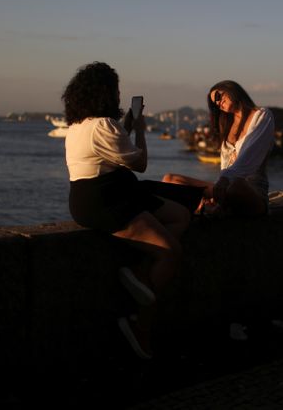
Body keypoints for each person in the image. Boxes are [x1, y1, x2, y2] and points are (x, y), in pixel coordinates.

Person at [62, 62, 190, 359]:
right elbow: (139, 162)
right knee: (172, 252)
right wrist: (142, 132)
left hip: (101, 193)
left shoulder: (79, 126)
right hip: (107, 199)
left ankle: (142, 269)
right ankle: (138, 321)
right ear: (105, 92)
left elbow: (113, 148)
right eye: (116, 89)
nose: (119, 96)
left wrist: (130, 123)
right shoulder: (102, 126)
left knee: (180, 215)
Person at [163, 80, 275, 217]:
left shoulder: (262, 115)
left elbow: (250, 156)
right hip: (225, 188)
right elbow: (225, 166)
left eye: (218, 97)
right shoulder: (227, 125)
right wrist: (218, 188)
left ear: (232, 89)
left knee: (236, 185)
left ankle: (214, 207)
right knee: (170, 179)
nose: (218, 103)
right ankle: (207, 205)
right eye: (214, 103)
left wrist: (225, 179)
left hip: (252, 192)